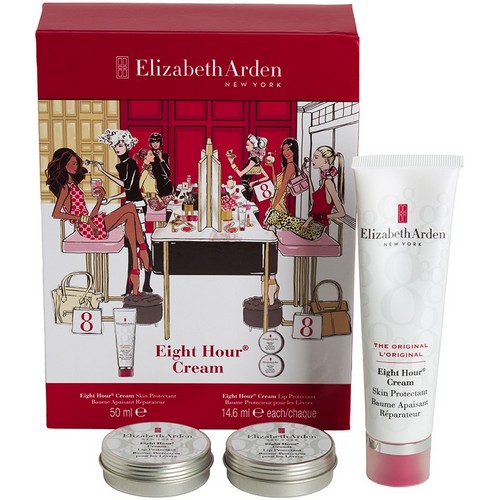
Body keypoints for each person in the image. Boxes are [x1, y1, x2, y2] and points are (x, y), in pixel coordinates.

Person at [45, 149, 149, 296]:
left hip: (90, 223)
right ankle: (141, 253)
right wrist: (83, 219)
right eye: (73, 163)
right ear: (63, 164)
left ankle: (135, 267)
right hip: (87, 228)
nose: (76, 166)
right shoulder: (64, 187)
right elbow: (56, 214)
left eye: (77, 163)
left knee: (130, 215)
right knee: (131, 208)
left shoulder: (73, 185)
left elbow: (90, 215)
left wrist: (100, 199)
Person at [97, 129, 153, 293]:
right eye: (115, 146)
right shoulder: (121, 165)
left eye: (120, 145)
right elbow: (129, 190)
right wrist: (112, 198)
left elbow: (127, 186)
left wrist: (103, 172)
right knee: (132, 244)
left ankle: (145, 283)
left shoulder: (130, 164)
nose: (117, 148)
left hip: (137, 206)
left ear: (127, 146)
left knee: (141, 243)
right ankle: (132, 286)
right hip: (130, 204)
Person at [227, 134, 269, 202]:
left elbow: (241, 174)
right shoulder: (257, 160)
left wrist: (232, 163)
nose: (246, 147)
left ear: (254, 146)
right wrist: (254, 182)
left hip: (246, 188)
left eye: (248, 145)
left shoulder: (253, 160)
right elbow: (266, 177)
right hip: (246, 187)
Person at [148, 132, 173, 197]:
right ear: (150, 143)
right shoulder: (149, 156)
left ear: (160, 142)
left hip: (166, 185)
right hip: (153, 187)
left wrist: (161, 159)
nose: (155, 144)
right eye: (153, 142)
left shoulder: (165, 156)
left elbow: (168, 173)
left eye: (157, 141)